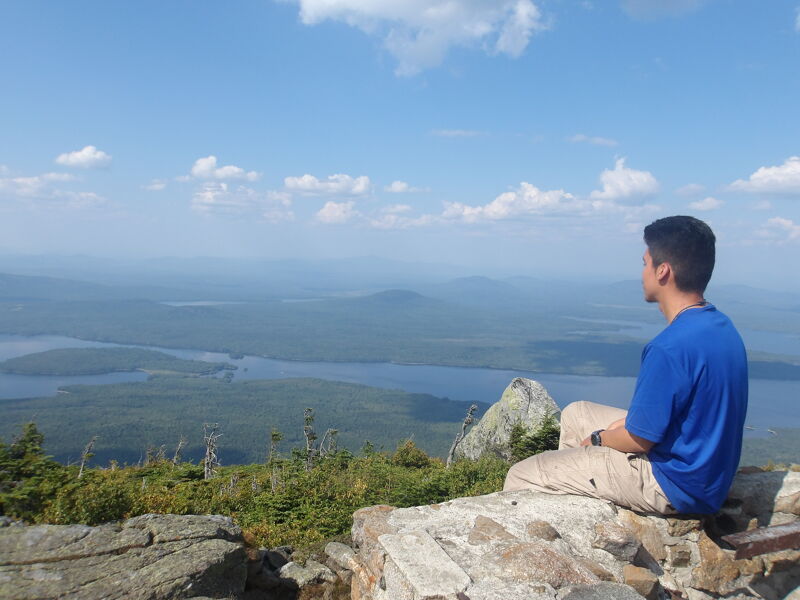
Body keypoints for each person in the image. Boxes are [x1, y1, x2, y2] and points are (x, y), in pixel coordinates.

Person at [504, 215, 748, 515]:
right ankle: (578, 503)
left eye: (645, 263)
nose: (642, 272)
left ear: (662, 271)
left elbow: (639, 439)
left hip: (674, 484)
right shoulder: (720, 326)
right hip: (704, 474)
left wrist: (598, 439)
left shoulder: (669, 347)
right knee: (577, 413)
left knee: (521, 474)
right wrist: (621, 428)